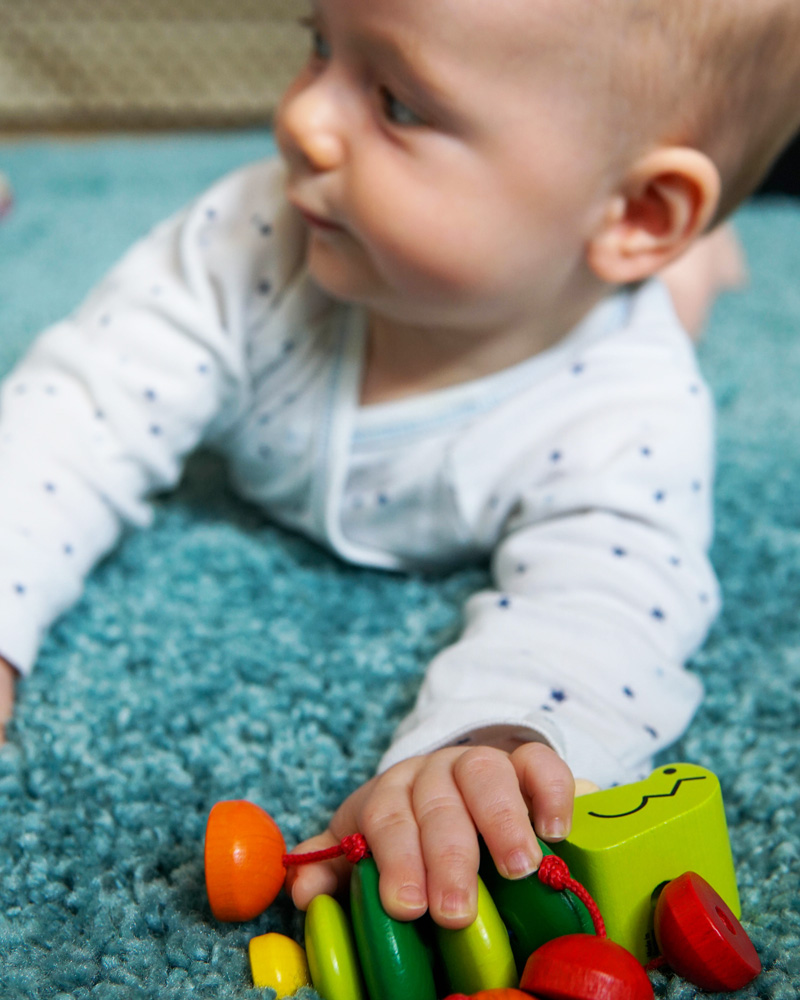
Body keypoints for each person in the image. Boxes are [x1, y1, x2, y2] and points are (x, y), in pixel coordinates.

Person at [1, 0, 798, 932]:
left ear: (635, 209)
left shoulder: (628, 410)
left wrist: (485, 744)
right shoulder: (253, 238)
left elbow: (612, 596)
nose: (302, 118)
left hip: (601, 312)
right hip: (576, 256)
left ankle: (688, 265)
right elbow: (79, 414)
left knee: (673, 299)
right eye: (320, 46)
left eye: (401, 105)